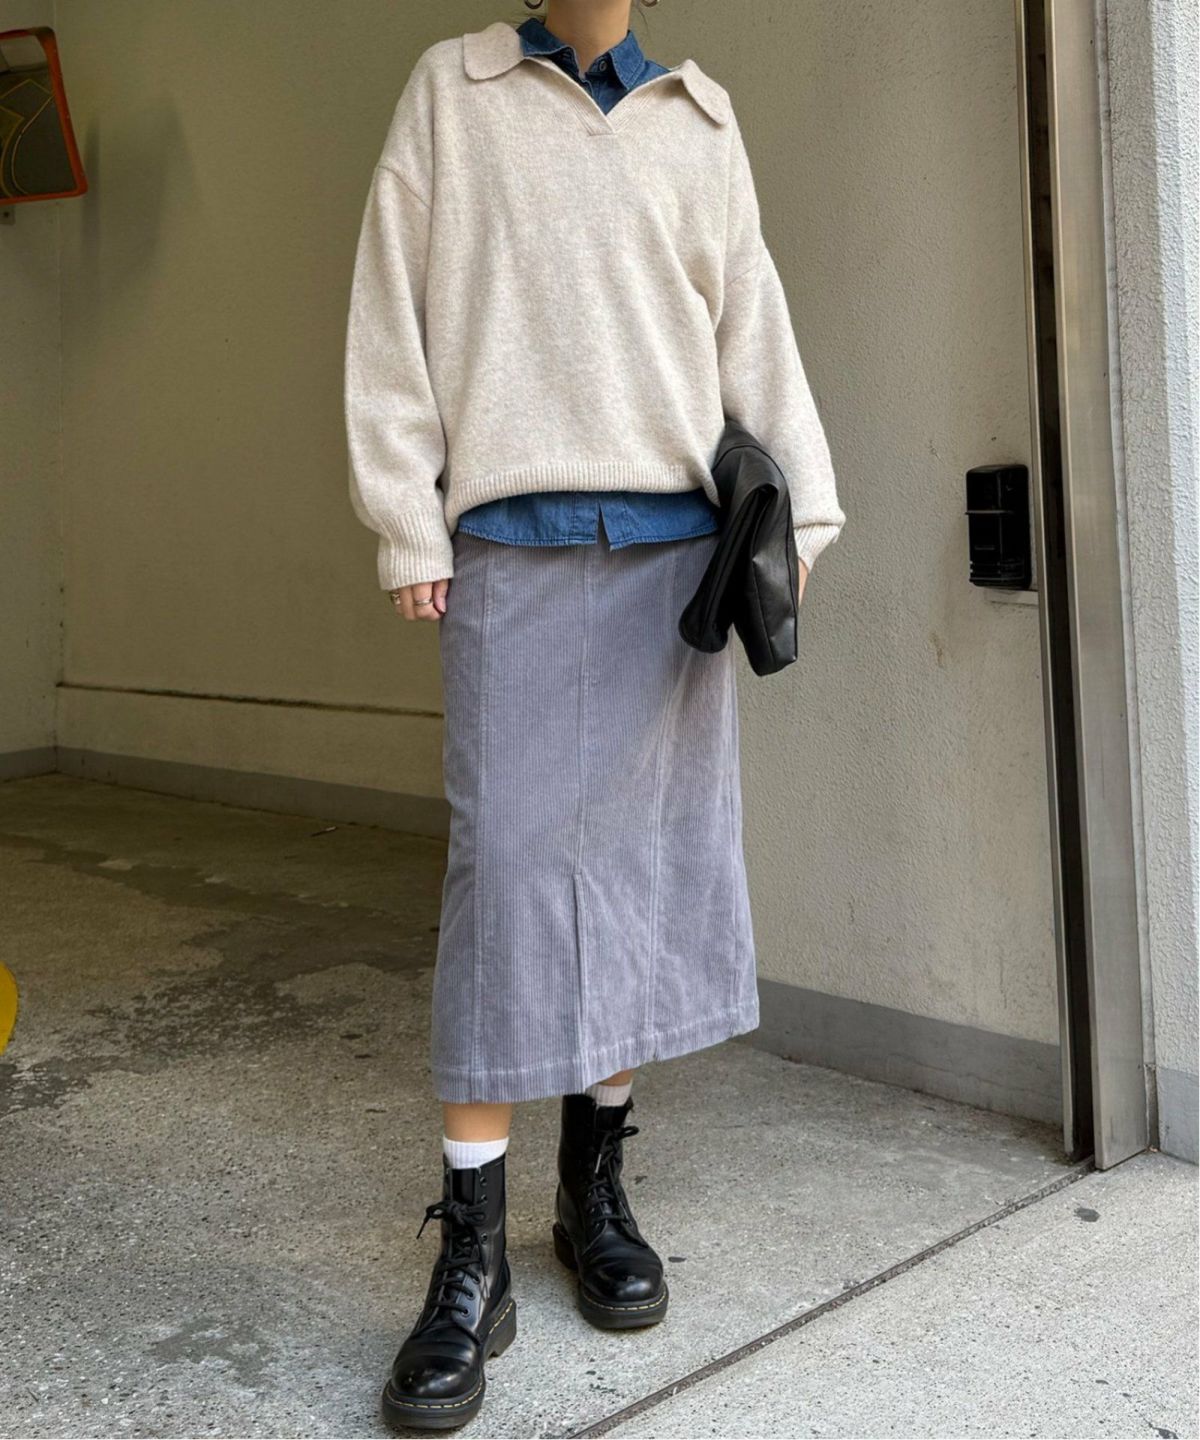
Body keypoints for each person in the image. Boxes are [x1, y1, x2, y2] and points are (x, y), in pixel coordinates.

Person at [343, 0, 846, 1428]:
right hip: (511, 545)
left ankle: (593, 1191)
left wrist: (803, 511)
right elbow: (391, 310)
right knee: (503, 880)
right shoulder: (453, 93)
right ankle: (472, 1253)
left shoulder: (699, 119)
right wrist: (408, 518)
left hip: (671, 564)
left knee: (635, 874)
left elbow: (750, 317)